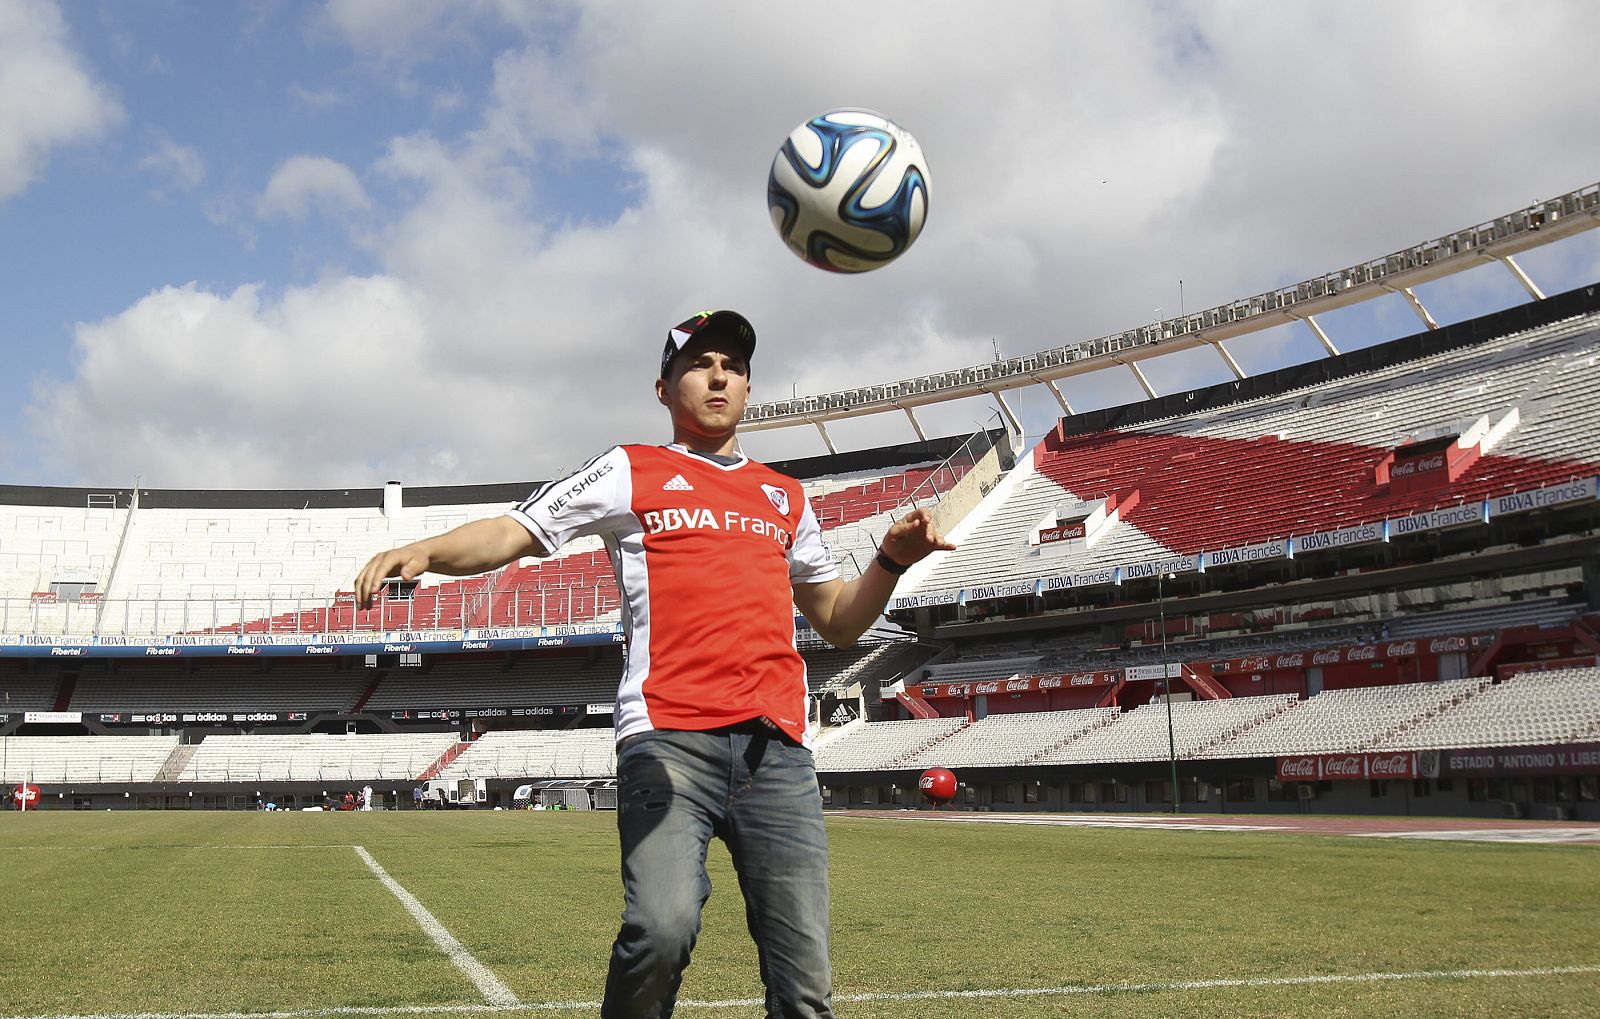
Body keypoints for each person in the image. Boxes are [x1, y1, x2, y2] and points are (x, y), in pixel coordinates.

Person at [354, 309, 953, 1019]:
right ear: (664, 388)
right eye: (699, 363)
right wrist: (426, 551)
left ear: (749, 386)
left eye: (733, 364)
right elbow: (517, 530)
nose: (719, 374)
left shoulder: (787, 497)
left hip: (779, 752)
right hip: (668, 740)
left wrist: (889, 560)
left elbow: (840, 620)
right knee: (660, 929)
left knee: (806, 985)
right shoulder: (631, 468)